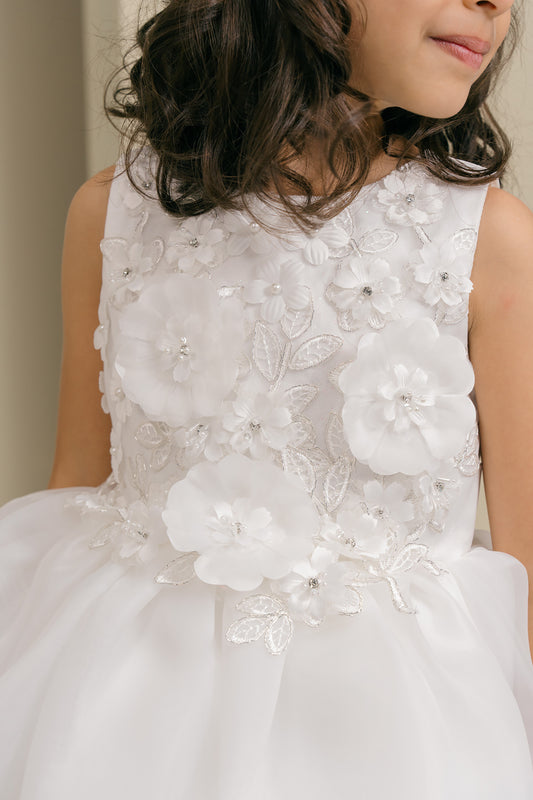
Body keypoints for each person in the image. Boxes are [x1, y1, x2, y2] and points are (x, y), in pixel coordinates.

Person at [1, 0, 532, 797]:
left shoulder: (484, 238)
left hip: (394, 729)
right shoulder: (110, 213)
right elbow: (79, 483)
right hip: (127, 704)